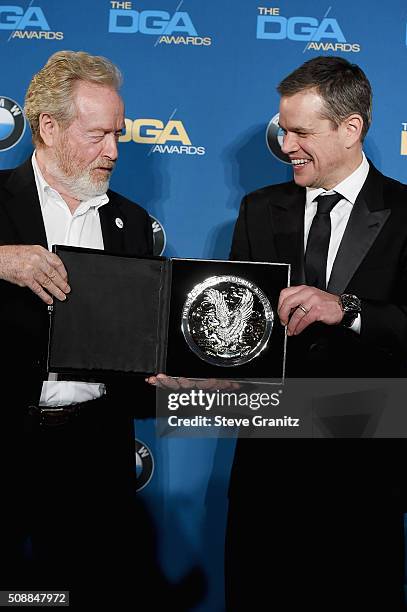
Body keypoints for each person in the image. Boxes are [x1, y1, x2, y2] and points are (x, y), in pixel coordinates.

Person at [225, 56, 407, 610]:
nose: (285, 144)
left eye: (301, 131)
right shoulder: (259, 209)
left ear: (351, 129)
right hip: (267, 476)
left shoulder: (405, 213)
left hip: (363, 478)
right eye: (283, 129)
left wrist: (347, 309)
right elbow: (236, 322)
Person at [0, 51, 160, 607]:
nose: (113, 151)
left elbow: (139, 347)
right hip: (7, 446)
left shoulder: (133, 222)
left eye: (117, 134)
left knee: (91, 592)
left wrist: (162, 376)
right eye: (98, 135)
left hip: (94, 450)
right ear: (48, 127)